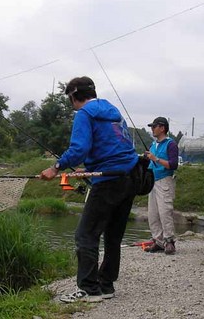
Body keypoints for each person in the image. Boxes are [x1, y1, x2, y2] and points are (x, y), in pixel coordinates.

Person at [40, 76, 138, 303]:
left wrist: (55, 167)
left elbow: (79, 149)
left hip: (107, 181)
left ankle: (89, 290)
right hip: (130, 177)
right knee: (113, 237)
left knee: (85, 234)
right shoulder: (112, 110)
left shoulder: (84, 114)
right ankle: (106, 285)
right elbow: (114, 145)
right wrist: (91, 165)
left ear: (73, 96)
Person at [144, 117, 179, 255]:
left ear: (162, 128)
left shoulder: (171, 144)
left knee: (165, 212)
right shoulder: (154, 145)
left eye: (154, 126)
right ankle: (158, 241)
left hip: (165, 180)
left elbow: (173, 165)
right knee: (152, 213)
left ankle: (169, 242)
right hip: (152, 181)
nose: (152, 129)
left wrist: (155, 159)